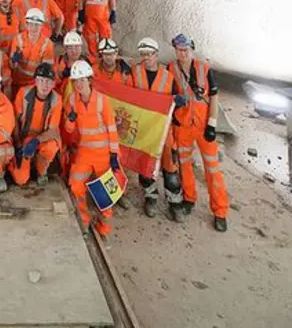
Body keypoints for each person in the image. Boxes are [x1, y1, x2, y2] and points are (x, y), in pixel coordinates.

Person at [168, 34, 229, 231]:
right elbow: (168, 93)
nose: (182, 53)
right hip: (183, 126)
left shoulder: (204, 69)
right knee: (184, 165)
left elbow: (214, 97)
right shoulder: (171, 68)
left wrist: (212, 125)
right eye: (178, 50)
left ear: (191, 50)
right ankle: (189, 199)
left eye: (185, 50)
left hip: (203, 127)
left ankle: (220, 211)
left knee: (212, 169)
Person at [64, 60, 120, 239]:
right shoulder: (72, 100)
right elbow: (69, 130)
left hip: (103, 154)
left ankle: (104, 227)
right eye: (76, 81)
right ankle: (84, 220)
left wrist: (114, 154)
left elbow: (112, 128)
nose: (79, 84)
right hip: (84, 153)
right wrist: (70, 119)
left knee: (106, 194)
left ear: (89, 80)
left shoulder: (102, 101)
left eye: (82, 80)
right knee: (75, 184)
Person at [132, 38, 185, 221]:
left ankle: (175, 202)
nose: (147, 58)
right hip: (145, 129)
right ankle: (150, 197)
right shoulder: (135, 72)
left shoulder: (168, 77)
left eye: (150, 54)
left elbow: (175, 99)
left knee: (170, 167)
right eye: (143, 55)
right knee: (146, 166)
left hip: (164, 130)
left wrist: (177, 102)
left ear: (156, 55)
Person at [10, 62, 62, 187]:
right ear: (35, 81)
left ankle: (41, 170)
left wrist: (36, 141)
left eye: (49, 81)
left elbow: (52, 130)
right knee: (21, 179)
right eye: (41, 80)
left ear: (53, 84)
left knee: (52, 146)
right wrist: (17, 143)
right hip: (25, 137)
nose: (45, 85)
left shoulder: (56, 99)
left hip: (43, 138)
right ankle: (14, 165)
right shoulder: (23, 93)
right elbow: (15, 120)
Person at [10, 8, 55, 91]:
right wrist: (14, 60)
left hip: (35, 85)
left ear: (42, 26)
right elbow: (12, 66)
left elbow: (45, 72)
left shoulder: (48, 44)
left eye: (37, 25)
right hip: (17, 82)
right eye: (31, 24)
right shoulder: (18, 39)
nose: (33, 28)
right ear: (26, 25)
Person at [54, 31, 90, 100]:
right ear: (65, 49)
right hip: (62, 96)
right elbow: (53, 83)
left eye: (76, 47)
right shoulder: (58, 61)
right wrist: (61, 76)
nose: (74, 51)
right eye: (70, 48)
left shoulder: (87, 62)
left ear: (81, 47)